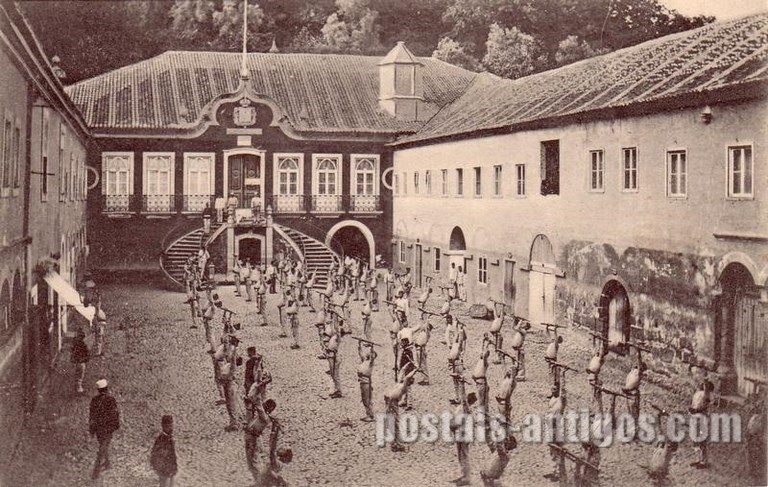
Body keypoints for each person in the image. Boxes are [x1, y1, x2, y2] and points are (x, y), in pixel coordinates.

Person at [89, 379, 120, 480]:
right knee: (103, 447)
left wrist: (92, 430)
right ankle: (97, 469)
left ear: (98, 390)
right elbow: (115, 414)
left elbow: (91, 416)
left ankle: (105, 464)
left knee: (102, 445)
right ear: (106, 388)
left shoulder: (94, 400)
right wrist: (115, 426)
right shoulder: (111, 399)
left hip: (98, 428)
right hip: (107, 428)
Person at [150, 415, 178, 487]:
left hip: (171, 468)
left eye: (171, 425)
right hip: (164, 469)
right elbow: (155, 454)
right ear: (163, 426)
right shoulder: (161, 439)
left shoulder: (170, 437)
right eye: (168, 426)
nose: (171, 428)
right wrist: (160, 468)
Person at [357, 341, 377, 422]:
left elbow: (372, 357)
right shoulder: (364, 361)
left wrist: (372, 347)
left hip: (366, 382)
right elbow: (360, 353)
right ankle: (368, 414)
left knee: (367, 399)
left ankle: (370, 415)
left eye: (370, 353)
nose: (367, 354)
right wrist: (359, 344)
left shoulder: (370, 363)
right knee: (364, 399)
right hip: (362, 381)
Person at [71, 329, 89, 393]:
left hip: (76, 361)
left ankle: (76, 387)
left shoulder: (75, 343)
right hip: (81, 361)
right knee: (80, 376)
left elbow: (72, 352)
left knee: (77, 374)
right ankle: (79, 389)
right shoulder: (83, 344)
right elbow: (86, 353)